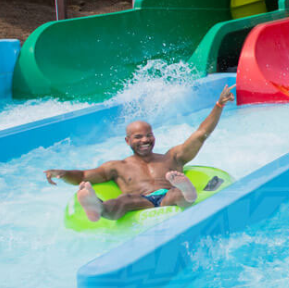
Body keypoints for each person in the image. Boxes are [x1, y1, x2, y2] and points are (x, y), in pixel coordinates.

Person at [45, 85, 235, 222]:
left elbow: (201, 134)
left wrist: (219, 104)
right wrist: (62, 173)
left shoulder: (172, 157)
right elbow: (84, 175)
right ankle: (97, 208)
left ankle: (188, 193)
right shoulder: (117, 166)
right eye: (138, 137)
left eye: (148, 135)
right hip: (141, 201)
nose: (145, 140)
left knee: (176, 193)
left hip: (168, 196)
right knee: (123, 200)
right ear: (127, 141)